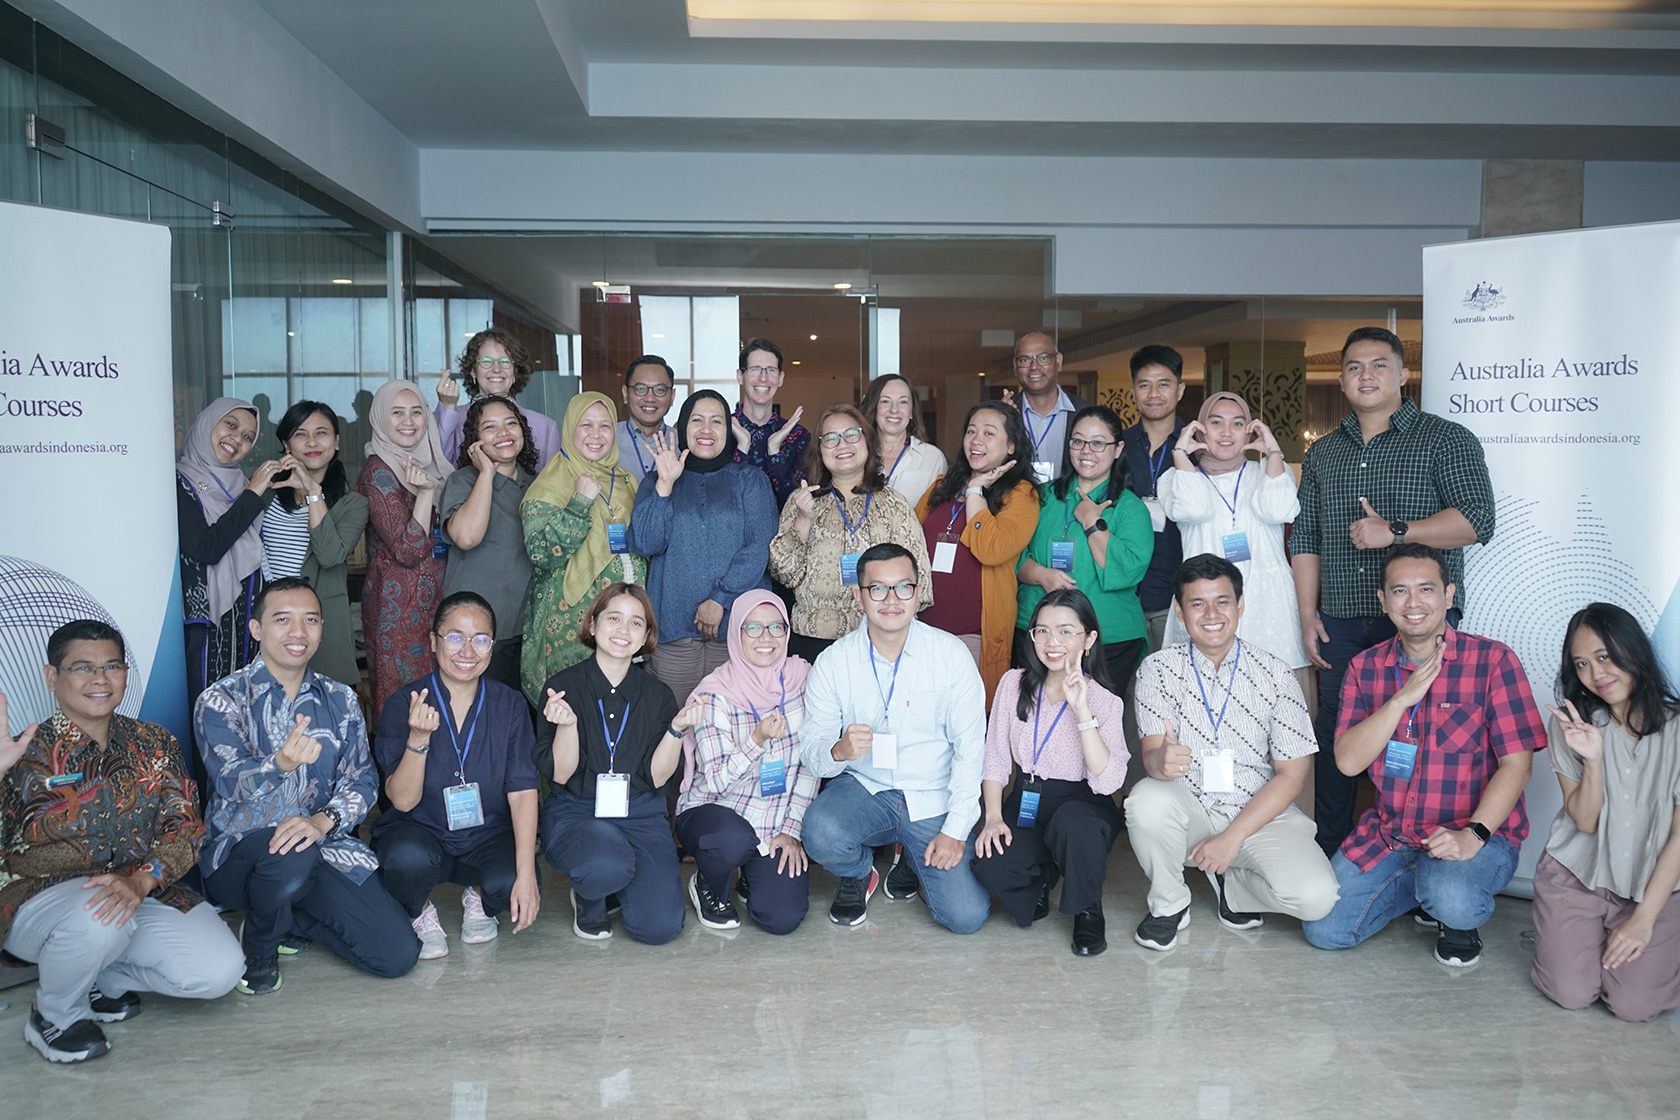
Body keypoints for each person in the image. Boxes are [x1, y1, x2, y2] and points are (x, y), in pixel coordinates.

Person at [1290, 326, 1495, 856]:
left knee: (1429, 731)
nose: (1366, 375)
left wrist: (1396, 530)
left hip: (1416, 617)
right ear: (1340, 379)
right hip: (1339, 618)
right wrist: (1308, 612)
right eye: (1355, 366)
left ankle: (1427, 851)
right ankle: (1332, 851)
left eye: (1380, 364)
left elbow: (1477, 521)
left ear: (1403, 374)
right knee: (1339, 735)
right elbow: (1307, 536)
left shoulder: (1445, 438)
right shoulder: (1324, 454)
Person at [0, 624, 243, 1064]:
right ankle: (55, 1014)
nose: (100, 679)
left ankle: (98, 977)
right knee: (99, 919)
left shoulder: (154, 742)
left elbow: (185, 828)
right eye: (82, 668)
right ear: (51, 676)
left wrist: (143, 880)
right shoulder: (21, 752)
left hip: (139, 892)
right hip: (38, 901)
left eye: (112, 666)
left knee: (218, 972)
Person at [1302, 545, 1542, 967]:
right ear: (1383, 600)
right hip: (1393, 833)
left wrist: (1475, 835)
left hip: (1470, 833)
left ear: (1449, 595)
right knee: (1324, 930)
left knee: (1453, 898)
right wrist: (1399, 701)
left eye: (1426, 589)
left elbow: (1517, 765)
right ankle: (1420, 886)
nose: (1413, 603)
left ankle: (1448, 908)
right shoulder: (1365, 667)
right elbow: (1347, 762)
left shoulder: (1492, 661)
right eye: (1400, 591)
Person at [195, 577, 418, 995]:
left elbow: (364, 778)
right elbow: (228, 782)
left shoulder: (341, 700)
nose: (298, 632)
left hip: (320, 847)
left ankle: (289, 913)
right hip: (240, 854)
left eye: (310, 620)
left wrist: (323, 821)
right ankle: (260, 947)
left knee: (396, 955)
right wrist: (279, 764)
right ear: (257, 629)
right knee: (289, 855)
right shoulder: (221, 699)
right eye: (283, 620)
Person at [1126, 555, 1337, 951]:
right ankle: (1169, 905)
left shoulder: (1276, 673)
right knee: (1145, 801)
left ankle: (1232, 887)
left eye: (1222, 601)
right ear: (1178, 608)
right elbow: (1153, 755)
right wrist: (1159, 762)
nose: (1211, 614)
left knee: (1317, 899)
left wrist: (1232, 837)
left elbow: (1293, 775)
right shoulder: (1157, 669)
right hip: (1190, 806)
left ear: (1240, 605)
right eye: (1197, 603)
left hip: (1256, 813)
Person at [799, 544, 991, 934]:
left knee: (966, 917)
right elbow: (812, 751)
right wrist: (838, 750)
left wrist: (955, 830)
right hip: (867, 788)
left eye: (903, 588)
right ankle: (860, 872)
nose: (891, 600)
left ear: (918, 593)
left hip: (932, 793)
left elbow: (972, 751)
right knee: (820, 833)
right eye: (877, 589)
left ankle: (913, 859)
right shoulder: (834, 662)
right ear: (858, 596)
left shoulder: (951, 655)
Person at [1530, 603, 1680, 1022]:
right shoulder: (1571, 726)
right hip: (1579, 876)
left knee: (1636, 1006)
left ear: (1633, 650)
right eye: (1582, 663)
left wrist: (1644, 919)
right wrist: (1593, 760)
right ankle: (1564, 936)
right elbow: (1585, 821)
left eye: (1605, 656)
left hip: (1654, 885)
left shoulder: (1678, 728)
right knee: (1572, 992)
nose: (1596, 673)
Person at [374, 592, 542, 959]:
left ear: (493, 646)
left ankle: (479, 898)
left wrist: (527, 873)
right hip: (421, 830)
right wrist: (418, 740)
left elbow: (523, 788)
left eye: (480, 640)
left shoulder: (509, 704)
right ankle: (418, 910)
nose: (468, 651)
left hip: (487, 834)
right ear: (434, 641)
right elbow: (402, 800)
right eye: (455, 637)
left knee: (513, 878)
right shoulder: (405, 703)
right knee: (404, 860)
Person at [972, 590, 1128, 956]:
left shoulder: (1105, 700)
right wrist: (992, 817)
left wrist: (1082, 711)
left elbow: (1107, 782)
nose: (1052, 642)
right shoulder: (1014, 684)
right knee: (990, 865)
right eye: (1041, 631)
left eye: (1065, 632)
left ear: (1089, 639)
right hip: (1025, 797)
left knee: (1076, 827)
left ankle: (1088, 908)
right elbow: (994, 757)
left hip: (1081, 803)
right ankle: (1044, 875)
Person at [535, 584, 689, 944]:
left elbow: (656, 777)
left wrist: (677, 731)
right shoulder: (562, 687)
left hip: (640, 812)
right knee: (606, 864)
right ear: (592, 624)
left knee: (660, 928)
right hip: (577, 810)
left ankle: (615, 879)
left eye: (636, 623)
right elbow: (560, 773)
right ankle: (591, 901)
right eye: (614, 618)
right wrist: (568, 725)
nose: (624, 630)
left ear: (646, 636)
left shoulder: (658, 694)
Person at [674, 591, 818, 935]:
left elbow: (810, 767)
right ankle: (710, 881)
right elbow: (718, 782)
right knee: (731, 840)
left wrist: (791, 831)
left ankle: (751, 876)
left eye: (775, 627)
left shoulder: (805, 681)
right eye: (753, 628)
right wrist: (756, 741)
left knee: (782, 918)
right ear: (735, 634)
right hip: (716, 813)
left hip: (774, 823)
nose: (766, 638)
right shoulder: (714, 693)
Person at [630, 388, 778, 707]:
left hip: (737, 633)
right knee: (674, 729)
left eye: (717, 421)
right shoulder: (657, 480)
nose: (706, 429)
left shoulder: (750, 480)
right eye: (697, 420)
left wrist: (719, 600)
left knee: (735, 731)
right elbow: (645, 542)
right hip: (673, 634)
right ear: (682, 427)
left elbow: (758, 549)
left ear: (729, 429)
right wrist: (665, 486)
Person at [1158, 392, 1309, 676]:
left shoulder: (1270, 471)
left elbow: (1280, 511)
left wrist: (1273, 451)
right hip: (1207, 603)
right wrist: (1180, 453)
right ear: (1200, 429)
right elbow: (1194, 507)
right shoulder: (1178, 477)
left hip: (1269, 603)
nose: (1227, 432)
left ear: (1250, 430)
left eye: (1238, 424)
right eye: (1216, 423)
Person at [770, 403, 932, 664]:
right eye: (830, 439)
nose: (842, 445)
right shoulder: (801, 501)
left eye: (851, 435)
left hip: (881, 641)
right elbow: (784, 574)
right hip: (813, 642)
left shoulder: (894, 505)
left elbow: (920, 583)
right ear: (819, 450)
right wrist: (804, 520)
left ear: (867, 442)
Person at [1015, 404, 1153, 697]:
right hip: (1041, 633)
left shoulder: (1130, 508)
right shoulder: (1042, 497)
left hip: (1107, 637)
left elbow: (1128, 570)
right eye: (1078, 441)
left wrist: (1092, 521)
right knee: (1038, 717)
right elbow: (1014, 555)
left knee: (1093, 725)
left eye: (1098, 443)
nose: (1086, 450)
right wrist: (1040, 574)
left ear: (1117, 450)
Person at [520, 391, 644, 707]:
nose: (596, 434)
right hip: (570, 624)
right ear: (570, 428)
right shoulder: (551, 481)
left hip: (623, 621)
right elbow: (541, 552)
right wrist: (580, 503)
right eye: (586, 424)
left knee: (617, 713)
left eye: (605, 426)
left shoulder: (628, 481)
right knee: (572, 712)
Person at [916, 401, 1040, 707]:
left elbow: (991, 549)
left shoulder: (1021, 495)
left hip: (974, 635)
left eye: (988, 432)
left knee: (967, 721)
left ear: (1011, 446)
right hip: (921, 630)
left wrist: (975, 493)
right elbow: (911, 541)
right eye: (971, 431)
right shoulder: (942, 486)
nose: (976, 440)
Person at [176, 396, 284, 708]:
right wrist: (253, 493)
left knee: (241, 713)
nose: (237, 438)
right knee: (205, 712)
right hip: (204, 626)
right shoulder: (177, 482)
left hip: (244, 623)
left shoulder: (242, 486)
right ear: (208, 423)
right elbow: (205, 548)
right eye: (231, 425)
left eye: (248, 436)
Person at [358, 378, 455, 719]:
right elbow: (407, 550)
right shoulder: (378, 473)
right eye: (397, 413)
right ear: (381, 418)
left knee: (440, 702)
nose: (409, 420)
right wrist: (425, 495)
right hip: (397, 611)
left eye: (417, 411)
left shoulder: (430, 463)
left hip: (433, 602)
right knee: (405, 704)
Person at [264, 401, 369, 688]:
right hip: (267, 620)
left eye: (321, 433)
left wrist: (313, 491)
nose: (311, 442)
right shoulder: (265, 493)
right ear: (286, 444)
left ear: (336, 442)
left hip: (321, 622)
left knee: (323, 713)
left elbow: (330, 554)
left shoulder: (353, 504)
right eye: (300, 434)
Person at [440, 395, 538, 696]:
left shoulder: (537, 485)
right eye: (490, 427)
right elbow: (467, 537)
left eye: (511, 423)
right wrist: (486, 473)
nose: (504, 433)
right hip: (473, 631)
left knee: (516, 720)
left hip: (525, 629)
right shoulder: (463, 481)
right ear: (475, 439)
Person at [1120, 345, 1189, 659]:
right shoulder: (1117, 447)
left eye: (1164, 384)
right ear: (1133, 391)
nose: (1154, 393)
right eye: (1144, 384)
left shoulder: (1199, 447)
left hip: (1178, 594)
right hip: (1124, 593)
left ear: (1180, 390)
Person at [433, 327, 561, 469]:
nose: (496, 369)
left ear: (515, 371)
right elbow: (438, 468)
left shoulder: (544, 427)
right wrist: (448, 407)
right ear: (473, 371)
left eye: (505, 362)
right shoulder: (451, 419)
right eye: (486, 361)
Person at [730, 337, 810, 507]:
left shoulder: (799, 437)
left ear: (781, 378)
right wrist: (742, 448)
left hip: (785, 534)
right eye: (755, 369)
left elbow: (798, 505)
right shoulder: (721, 431)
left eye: (771, 370)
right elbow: (722, 499)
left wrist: (775, 454)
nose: (763, 378)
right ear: (740, 376)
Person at [1008, 330, 1091, 484]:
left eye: (1043, 358)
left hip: (1073, 506)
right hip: (1016, 505)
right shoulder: (1004, 413)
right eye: (1025, 360)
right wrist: (1000, 424)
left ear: (1058, 361)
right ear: (1015, 365)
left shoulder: (1086, 413)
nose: (1034, 366)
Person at [861, 372, 946, 507]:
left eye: (903, 402)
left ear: (912, 411)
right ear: (873, 407)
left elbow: (937, 515)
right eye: (885, 401)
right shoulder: (856, 454)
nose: (894, 410)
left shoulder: (932, 458)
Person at [616, 354, 678, 487]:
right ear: (625, 393)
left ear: (672, 396)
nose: (650, 398)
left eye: (660, 389)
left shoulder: (684, 444)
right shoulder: (605, 439)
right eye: (640, 389)